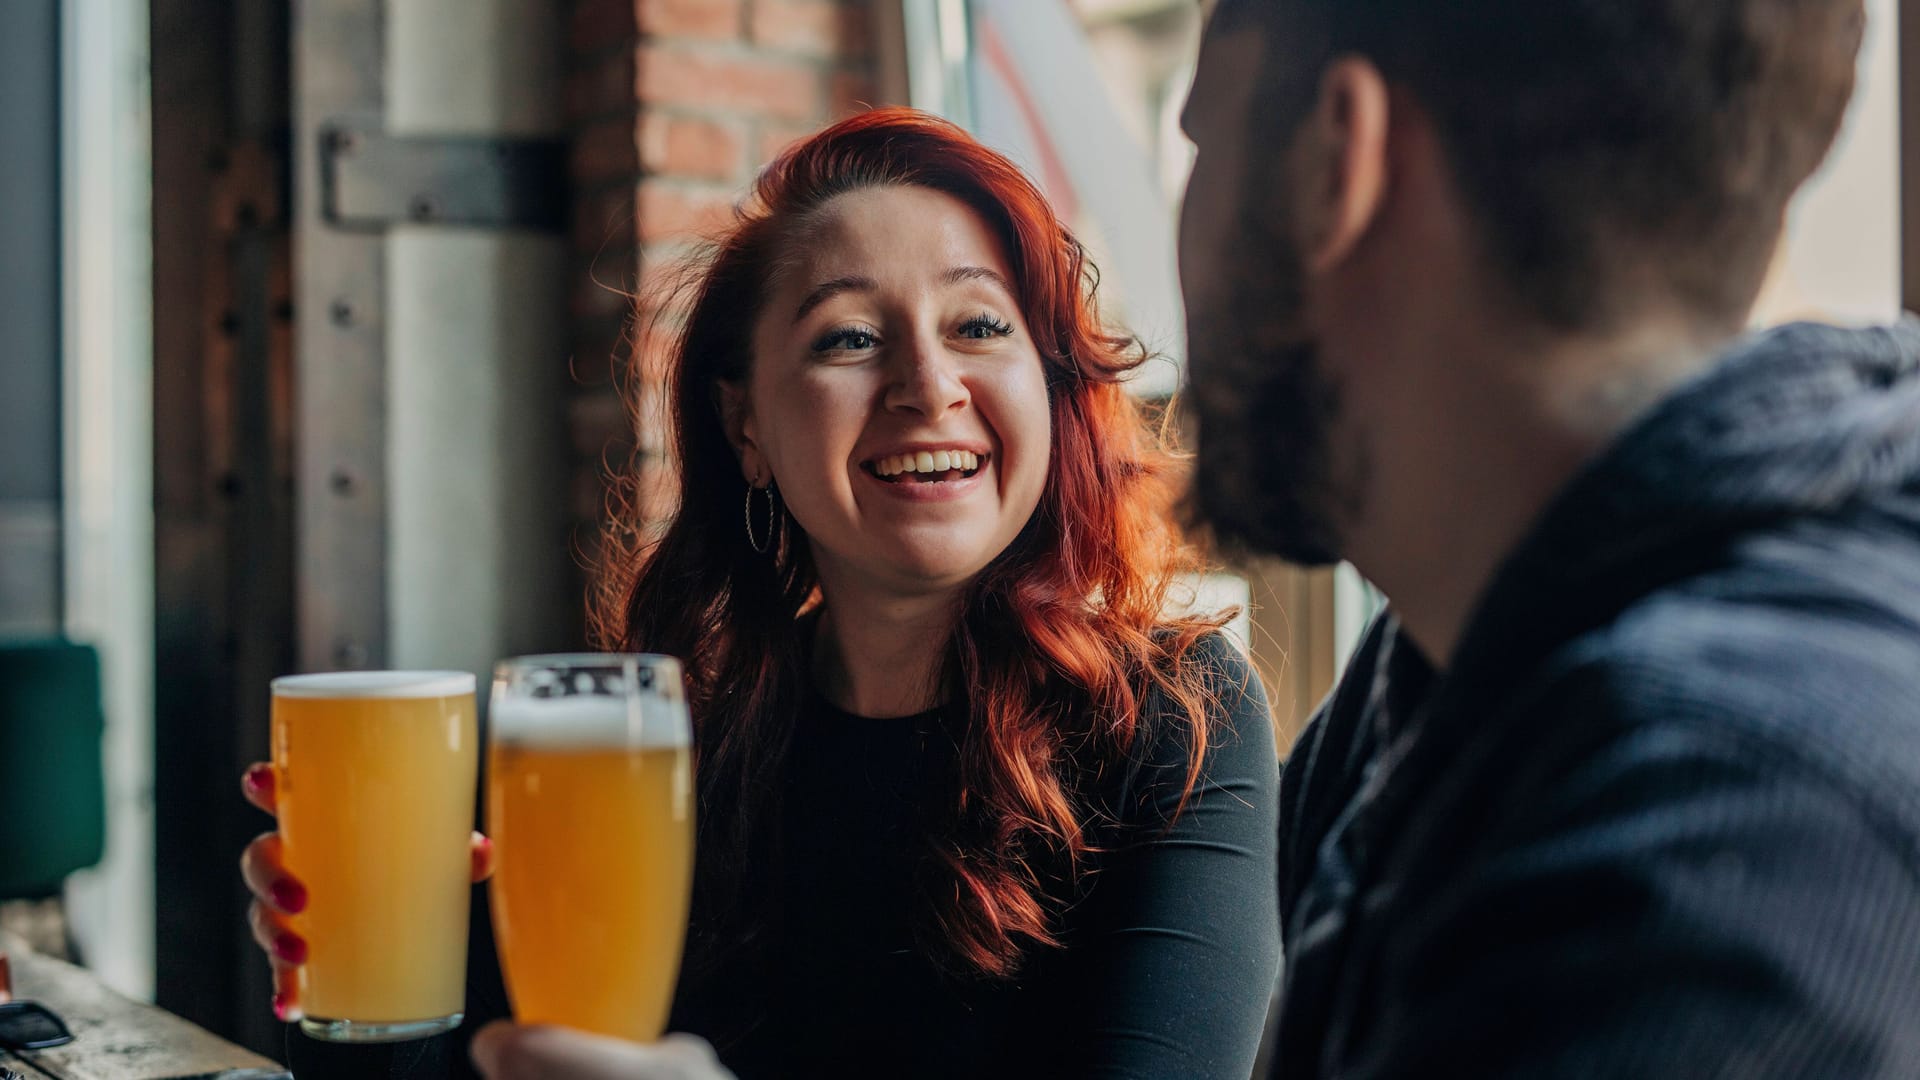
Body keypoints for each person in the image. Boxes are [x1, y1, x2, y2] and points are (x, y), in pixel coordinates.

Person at [480, 0, 1920, 1075]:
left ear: (1330, 167)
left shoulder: (1733, 825)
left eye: (1196, 142)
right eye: (853, 337)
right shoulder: (1426, 689)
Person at [240, 107, 1283, 1079]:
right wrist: (375, 978)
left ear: (1052, 390)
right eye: (849, 339)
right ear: (746, 428)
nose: (927, 386)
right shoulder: (651, 752)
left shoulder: (1179, 719)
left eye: (978, 325)